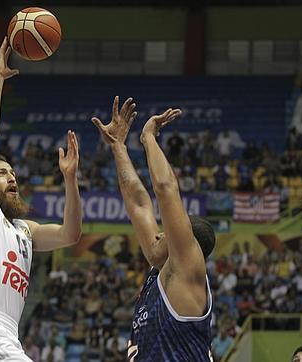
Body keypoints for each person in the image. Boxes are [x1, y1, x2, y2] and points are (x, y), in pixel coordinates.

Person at [0, 38, 83, 361]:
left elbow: (71, 234)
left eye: (12, 173)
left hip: (6, 334)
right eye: (1, 173)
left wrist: (70, 178)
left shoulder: (26, 230)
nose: (12, 177)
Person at [92, 97, 216, 361]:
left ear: (182, 241)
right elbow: (138, 203)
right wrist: (118, 148)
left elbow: (165, 188)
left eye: (167, 233)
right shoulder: (161, 270)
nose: (158, 233)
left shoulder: (186, 267)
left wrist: (148, 137)